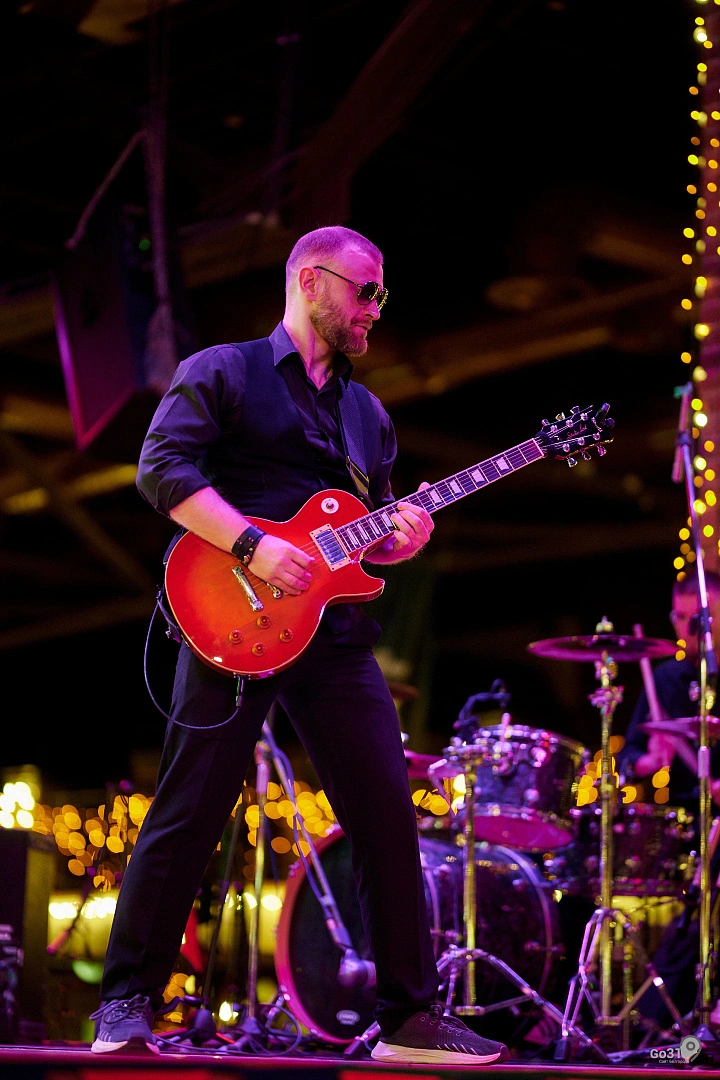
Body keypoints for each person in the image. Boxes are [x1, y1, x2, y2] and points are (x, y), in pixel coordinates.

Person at [89, 225, 510, 1066]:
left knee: (386, 814)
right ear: (310, 282)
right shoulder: (224, 370)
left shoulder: (367, 415)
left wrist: (399, 538)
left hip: (335, 636)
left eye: (381, 294)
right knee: (189, 811)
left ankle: (406, 1019)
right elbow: (161, 468)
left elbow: (365, 536)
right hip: (233, 622)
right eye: (365, 290)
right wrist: (252, 545)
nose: (375, 308)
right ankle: (125, 1004)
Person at [616, 567, 720, 1031]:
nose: (685, 628)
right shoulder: (667, 677)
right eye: (678, 618)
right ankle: (662, 1023)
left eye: (697, 619)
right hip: (686, 820)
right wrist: (645, 761)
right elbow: (629, 756)